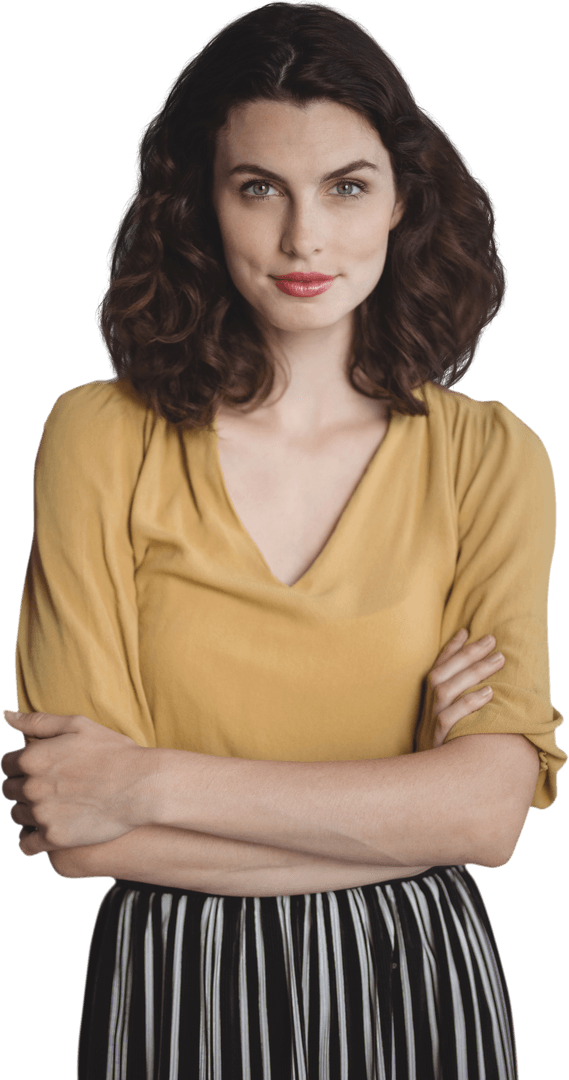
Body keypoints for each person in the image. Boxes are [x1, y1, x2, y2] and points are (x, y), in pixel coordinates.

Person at [1, 2, 566, 1077]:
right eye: (258, 188)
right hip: (173, 981)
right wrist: (403, 805)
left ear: (401, 200)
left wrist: (150, 783)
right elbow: (81, 832)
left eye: (346, 186)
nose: (304, 238)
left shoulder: (492, 458)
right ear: (199, 205)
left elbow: (489, 816)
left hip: (419, 983)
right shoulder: (99, 436)